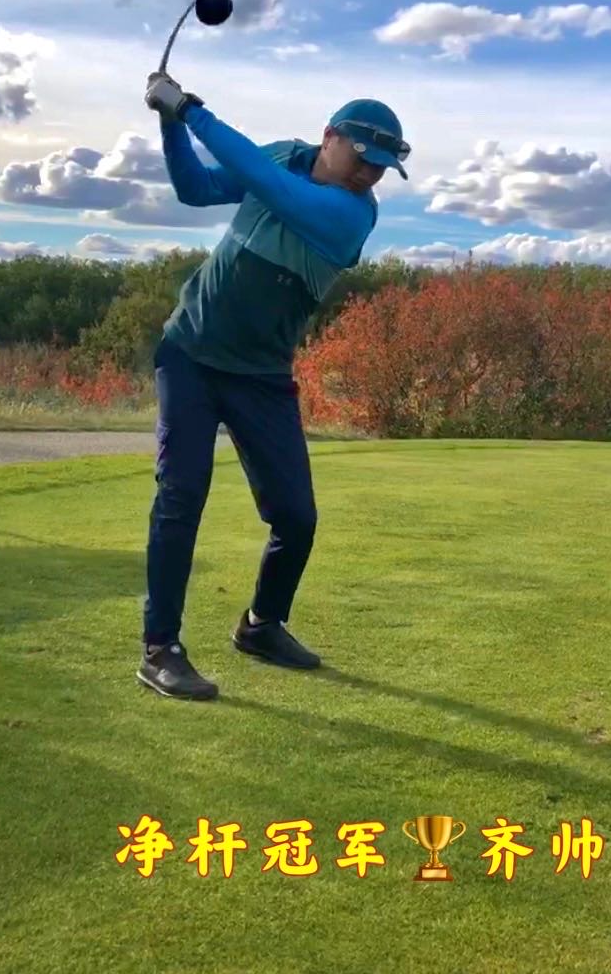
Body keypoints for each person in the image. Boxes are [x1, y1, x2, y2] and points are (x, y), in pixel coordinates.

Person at [136, 69, 410, 701]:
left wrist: (192, 111)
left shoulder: (351, 216)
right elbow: (196, 188)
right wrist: (170, 124)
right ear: (329, 136)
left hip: (261, 374)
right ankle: (160, 648)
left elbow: (269, 187)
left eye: (380, 168)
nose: (368, 175)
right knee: (180, 496)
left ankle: (261, 625)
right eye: (363, 158)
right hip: (190, 353)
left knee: (296, 516)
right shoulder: (286, 154)